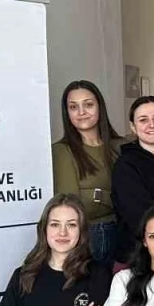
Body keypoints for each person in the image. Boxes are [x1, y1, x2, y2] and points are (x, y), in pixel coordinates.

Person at [52, 80, 123, 266]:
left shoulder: (120, 146)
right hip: (89, 237)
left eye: (88, 104)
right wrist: (115, 199)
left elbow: (137, 196)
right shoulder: (62, 150)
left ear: (100, 107)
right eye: (73, 107)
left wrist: (97, 195)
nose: (81, 112)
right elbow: (72, 205)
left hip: (125, 234)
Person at [111, 96, 154, 264]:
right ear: (133, 127)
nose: (152, 125)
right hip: (136, 259)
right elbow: (140, 217)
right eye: (143, 120)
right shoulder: (125, 165)